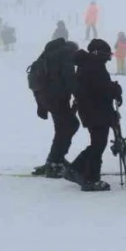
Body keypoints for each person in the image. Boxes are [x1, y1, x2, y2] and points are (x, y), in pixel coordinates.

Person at [67, 39, 123, 191]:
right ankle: (89, 178)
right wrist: (115, 90)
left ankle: (78, 170)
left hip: (92, 110)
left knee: (98, 143)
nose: (107, 59)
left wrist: (113, 89)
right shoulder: (93, 67)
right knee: (98, 144)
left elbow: (99, 87)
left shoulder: (88, 65)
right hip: (95, 110)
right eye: (106, 56)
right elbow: (101, 89)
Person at [30, 39, 81, 177]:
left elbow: (39, 83)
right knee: (71, 125)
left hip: (48, 99)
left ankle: (55, 160)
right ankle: (55, 162)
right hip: (57, 99)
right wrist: (80, 95)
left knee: (63, 127)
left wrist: (41, 106)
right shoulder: (66, 54)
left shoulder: (48, 56)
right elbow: (69, 78)